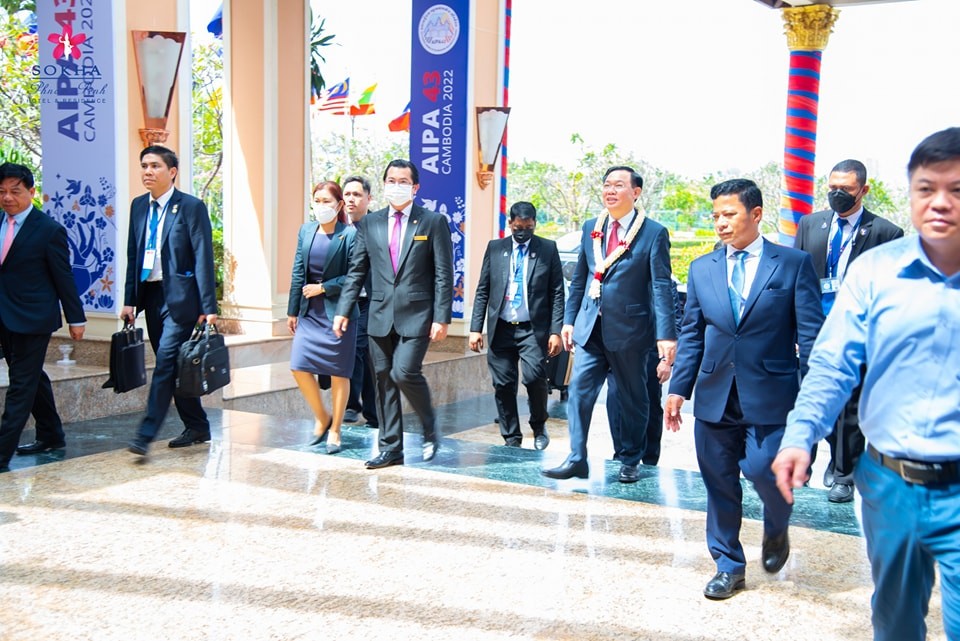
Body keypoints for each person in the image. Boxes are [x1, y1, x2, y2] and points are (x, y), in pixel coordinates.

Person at [773, 127, 960, 641]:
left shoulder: (880, 234)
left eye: (957, 190)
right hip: (891, 484)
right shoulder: (878, 272)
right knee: (895, 622)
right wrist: (799, 435)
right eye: (926, 189)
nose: (939, 202)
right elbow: (833, 365)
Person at [665, 178, 823, 600]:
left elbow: (810, 335)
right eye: (715, 215)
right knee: (718, 481)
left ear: (755, 214)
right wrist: (679, 389)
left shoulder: (791, 264)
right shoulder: (702, 268)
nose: (720, 223)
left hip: (772, 392)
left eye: (729, 214)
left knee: (762, 470)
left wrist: (814, 397)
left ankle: (776, 523)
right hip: (716, 392)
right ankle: (728, 566)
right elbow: (693, 332)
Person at [542, 166, 677, 484]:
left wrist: (666, 335)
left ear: (636, 192)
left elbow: (660, 285)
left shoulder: (653, 233)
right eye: (606, 185)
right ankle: (577, 457)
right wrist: (569, 320)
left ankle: (631, 459)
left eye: (619, 185)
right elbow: (580, 280)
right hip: (591, 328)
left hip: (631, 331)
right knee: (579, 392)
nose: (611, 191)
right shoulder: (592, 227)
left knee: (633, 397)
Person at [794, 159, 904, 503]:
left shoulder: (886, 233)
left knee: (850, 407)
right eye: (832, 188)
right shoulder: (811, 224)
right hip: (813, 330)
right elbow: (795, 278)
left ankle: (845, 474)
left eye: (846, 189)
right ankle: (813, 463)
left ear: (864, 190)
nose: (837, 194)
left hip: (857, 332)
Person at [333, 159, 453, 469]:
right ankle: (391, 448)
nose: (396, 185)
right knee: (384, 381)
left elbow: (443, 273)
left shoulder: (432, 222)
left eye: (403, 181)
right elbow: (357, 270)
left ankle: (429, 426)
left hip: (418, 315)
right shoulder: (370, 224)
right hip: (379, 315)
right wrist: (344, 310)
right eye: (391, 180)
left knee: (403, 372)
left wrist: (442, 317)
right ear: (384, 184)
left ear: (415, 188)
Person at [122, 145, 218, 457]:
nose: (147, 172)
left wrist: (209, 307)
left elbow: (203, 256)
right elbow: (133, 256)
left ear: (172, 171)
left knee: (164, 362)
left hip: (181, 299)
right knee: (176, 364)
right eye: (144, 166)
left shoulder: (190, 207)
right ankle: (197, 425)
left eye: (155, 166)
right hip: (151, 296)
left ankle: (145, 433)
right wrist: (129, 301)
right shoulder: (138, 206)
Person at [0, 163, 85, 470]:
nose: (8, 197)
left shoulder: (48, 230)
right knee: (32, 376)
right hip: (4, 315)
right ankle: (51, 433)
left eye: (15, 191)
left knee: (21, 384)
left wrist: (76, 319)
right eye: (2, 191)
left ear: (31, 193)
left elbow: (64, 277)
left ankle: (1, 453)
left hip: (33, 317)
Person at [469, 201, 564, 450]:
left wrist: (556, 331)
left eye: (528, 227)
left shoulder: (547, 249)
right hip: (501, 327)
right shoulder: (495, 248)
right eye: (518, 227)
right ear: (510, 224)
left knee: (534, 378)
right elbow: (483, 290)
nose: (522, 232)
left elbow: (557, 292)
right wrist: (475, 328)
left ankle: (539, 426)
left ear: (534, 224)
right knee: (503, 384)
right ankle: (511, 437)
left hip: (532, 329)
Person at [288, 181, 357, 454]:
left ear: (339, 205)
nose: (321, 206)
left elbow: (355, 275)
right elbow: (297, 271)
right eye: (317, 200)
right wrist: (292, 310)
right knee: (298, 366)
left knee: (339, 372)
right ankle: (322, 416)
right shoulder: (306, 231)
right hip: (309, 313)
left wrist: (325, 287)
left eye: (327, 201)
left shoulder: (349, 235)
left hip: (338, 313)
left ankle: (336, 430)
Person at [606, 278, 682, 465]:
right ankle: (621, 454)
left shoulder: (665, 284)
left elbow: (675, 323)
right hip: (619, 349)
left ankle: (649, 458)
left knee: (649, 405)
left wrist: (666, 361)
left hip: (651, 354)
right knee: (616, 399)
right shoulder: (617, 276)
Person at [340, 175, 378, 429]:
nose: (351, 199)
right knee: (358, 354)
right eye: (347, 195)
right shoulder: (340, 230)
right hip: (345, 303)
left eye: (356, 195)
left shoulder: (378, 227)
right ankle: (369, 410)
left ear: (368, 198)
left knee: (360, 349)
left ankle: (355, 406)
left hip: (371, 301)